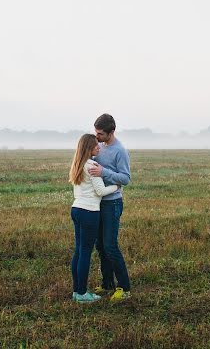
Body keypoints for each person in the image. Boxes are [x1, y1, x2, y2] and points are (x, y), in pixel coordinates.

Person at [69, 133, 119, 303]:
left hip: (76, 209)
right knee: (85, 253)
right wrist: (116, 185)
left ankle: (76, 291)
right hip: (89, 212)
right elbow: (101, 191)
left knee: (79, 251)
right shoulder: (92, 166)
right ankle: (82, 293)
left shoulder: (78, 164)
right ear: (88, 148)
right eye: (95, 145)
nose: (99, 147)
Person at [88, 113, 131, 301]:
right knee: (100, 246)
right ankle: (107, 284)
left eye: (100, 134)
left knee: (110, 246)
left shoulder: (120, 151)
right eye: (95, 133)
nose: (96, 137)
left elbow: (126, 178)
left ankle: (124, 288)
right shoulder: (100, 147)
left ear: (111, 132)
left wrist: (103, 172)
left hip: (112, 203)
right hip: (98, 202)